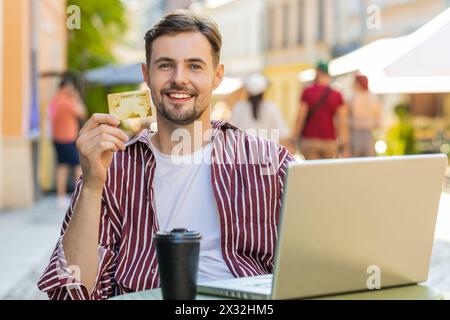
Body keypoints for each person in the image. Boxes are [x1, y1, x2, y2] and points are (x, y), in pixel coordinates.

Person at [37, 10, 294, 300]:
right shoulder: (112, 168)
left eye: (195, 66)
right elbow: (70, 294)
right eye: (165, 65)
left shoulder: (268, 160)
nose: (179, 79)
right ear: (147, 75)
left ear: (217, 75)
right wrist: (93, 186)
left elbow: (313, 263)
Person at [290, 61, 350, 160]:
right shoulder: (337, 95)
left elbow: (300, 117)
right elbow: (342, 121)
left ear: (317, 73)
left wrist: (293, 137)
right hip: (330, 142)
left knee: (312, 173)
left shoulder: (307, 92)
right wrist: (344, 144)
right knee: (327, 173)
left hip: (310, 140)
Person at [48, 74, 87, 207]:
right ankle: (80, 195)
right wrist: (76, 97)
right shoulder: (67, 101)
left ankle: (60, 196)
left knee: (62, 166)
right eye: (70, 87)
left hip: (57, 138)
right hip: (68, 138)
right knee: (77, 167)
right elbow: (82, 112)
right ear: (65, 88)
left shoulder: (54, 101)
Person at [231, 73, 290, 144]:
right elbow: (284, 134)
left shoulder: (238, 108)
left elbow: (232, 133)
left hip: (244, 153)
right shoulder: (272, 108)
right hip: (268, 153)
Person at [349, 74, 382, 157]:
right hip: (363, 131)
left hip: (358, 131)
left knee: (357, 158)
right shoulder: (372, 97)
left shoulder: (353, 97)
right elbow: (378, 118)